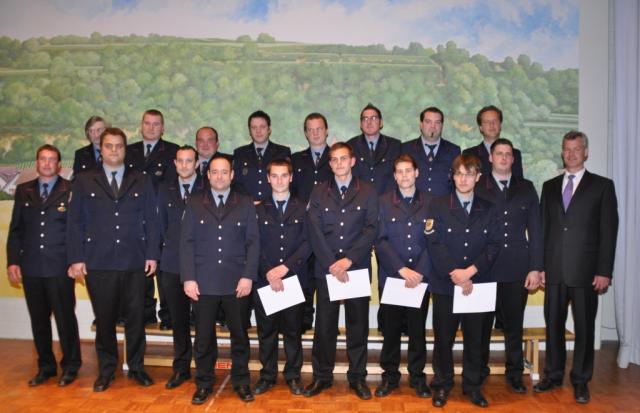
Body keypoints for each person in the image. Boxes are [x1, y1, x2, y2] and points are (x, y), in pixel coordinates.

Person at [67, 127, 160, 392]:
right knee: (105, 319)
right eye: (109, 146)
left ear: (125, 149)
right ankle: (107, 370)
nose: (114, 150)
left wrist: (152, 254)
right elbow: (75, 222)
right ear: (101, 148)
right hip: (99, 261)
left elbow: (152, 220)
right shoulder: (84, 180)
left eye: (119, 145)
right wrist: (76, 258)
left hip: (134, 260)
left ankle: (137, 368)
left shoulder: (141, 179)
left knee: (136, 319)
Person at [534, 131, 618, 404]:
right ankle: (553, 375)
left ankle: (581, 380)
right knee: (553, 326)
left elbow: (608, 231)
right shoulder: (549, 186)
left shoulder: (602, 186)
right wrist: (540, 266)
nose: (571, 154)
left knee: (584, 328)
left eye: (577, 149)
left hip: (586, 272)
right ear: (562, 152)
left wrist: (604, 271)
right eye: (567, 149)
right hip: (554, 270)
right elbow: (543, 230)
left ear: (586, 152)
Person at [180, 156, 260, 404]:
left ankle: (242, 382)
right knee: (203, 339)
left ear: (232, 175)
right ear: (208, 175)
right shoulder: (194, 202)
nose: (219, 176)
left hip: (237, 283)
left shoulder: (245, 202)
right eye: (214, 172)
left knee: (240, 337)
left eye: (224, 172)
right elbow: (186, 243)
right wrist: (189, 278)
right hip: (203, 283)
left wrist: (248, 276)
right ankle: (204, 383)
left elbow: (253, 242)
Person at [304, 142, 378, 400]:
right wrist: (332, 264)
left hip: (356, 268)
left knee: (358, 326)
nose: (339, 163)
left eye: (343, 158)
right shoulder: (318, 191)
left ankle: (357, 378)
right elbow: (313, 230)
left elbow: (371, 228)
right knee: (324, 326)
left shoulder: (368, 191)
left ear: (352, 161)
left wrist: (348, 261)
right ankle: (322, 377)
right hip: (327, 270)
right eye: (334, 159)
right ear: (330, 164)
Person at [425, 154, 500, 408]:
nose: (463, 179)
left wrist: (470, 272)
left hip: (477, 283)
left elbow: (494, 245)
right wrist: (455, 272)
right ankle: (442, 385)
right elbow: (434, 242)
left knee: (475, 340)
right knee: (443, 339)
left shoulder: (489, 207)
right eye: (459, 174)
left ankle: (472, 386)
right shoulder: (437, 205)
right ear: (453, 176)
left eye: (469, 174)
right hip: (446, 284)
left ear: (478, 177)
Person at [7, 144, 81, 387]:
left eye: (52, 159)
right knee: (39, 321)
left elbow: (76, 230)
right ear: (37, 163)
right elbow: (16, 230)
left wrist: (75, 260)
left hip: (60, 267)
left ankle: (70, 366)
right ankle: (46, 367)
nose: (47, 163)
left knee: (65, 319)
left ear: (59, 165)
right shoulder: (24, 190)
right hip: (31, 267)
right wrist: (13, 261)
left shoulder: (71, 189)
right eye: (43, 159)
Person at [474, 138, 543, 393]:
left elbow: (536, 230)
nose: (503, 157)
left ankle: (515, 373)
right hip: (485, 267)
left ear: (513, 159)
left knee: (513, 325)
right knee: (481, 325)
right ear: (490, 158)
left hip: (516, 267)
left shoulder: (526, 187)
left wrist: (535, 267)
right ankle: (479, 370)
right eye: (499, 153)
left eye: (508, 154)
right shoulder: (478, 186)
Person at [374, 154, 432, 398]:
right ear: (395, 176)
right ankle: (390, 377)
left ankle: (417, 377)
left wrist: (419, 271)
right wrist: (401, 269)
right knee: (391, 332)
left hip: (420, 278)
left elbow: (434, 240)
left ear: (416, 173)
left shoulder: (431, 202)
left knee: (418, 331)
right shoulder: (383, 201)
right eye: (400, 171)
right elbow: (380, 240)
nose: (405, 175)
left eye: (409, 170)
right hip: (393, 278)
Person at [253, 159, 311, 396]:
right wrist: (269, 271)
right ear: (268, 178)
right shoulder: (257, 209)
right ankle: (267, 376)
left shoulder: (304, 208)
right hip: (264, 280)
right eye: (274, 176)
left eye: (284, 175)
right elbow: (252, 244)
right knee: (266, 333)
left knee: (292, 332)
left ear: (291, 177)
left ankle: (293, 376)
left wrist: (285, 268)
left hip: (293, 279)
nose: (279, 180)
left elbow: (308, 243)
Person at [125, 109, 179, 329]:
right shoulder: (128, 151)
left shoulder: (173, 151)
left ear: (163, 128)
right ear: (141, 126)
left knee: (164, 271)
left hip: (162, 220)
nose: (151, 127)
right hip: (134, 221)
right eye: (147, 123)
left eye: (156, 124)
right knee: (139, 271)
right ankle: (144, 313)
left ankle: (168, 316)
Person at [157, 145, 205, 390]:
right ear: (175, 164)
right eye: (180, 161)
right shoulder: (164, 189)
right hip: (172, 264)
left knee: (203, 321)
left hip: (203, 266)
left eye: (189, 161)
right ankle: (181, 368)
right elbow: (160, 227)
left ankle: (204, 369)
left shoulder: (207, 188)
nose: (185, 165)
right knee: (178, 320)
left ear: (196, 163)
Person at [291, 112, 334, 331]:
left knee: (328, 278)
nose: (315, 133)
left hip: (329, 231)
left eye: (319, 129)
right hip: (302, 230)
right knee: (304, 278)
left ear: (326, 131)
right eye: (311, 129)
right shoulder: (296, 160)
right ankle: (304, 320)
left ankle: (329, 324)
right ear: (305, 133)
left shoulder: (337, 158)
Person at [233, 110, 291, 202]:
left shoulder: (282, 152)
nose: (258, 131)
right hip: (246, 206)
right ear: (249, 131)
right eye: (254, 127)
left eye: (262, 127)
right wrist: (248, 203)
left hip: (273, 206)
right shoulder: (240, 153)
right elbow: (236, 183)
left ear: (269, 129)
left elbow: (287, 182)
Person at [401, 107, 460, 196]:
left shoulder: (454, 151)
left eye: (437, 122)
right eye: (428, 122)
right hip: (413, 204)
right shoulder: (406, 149)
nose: (433, 126)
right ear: (421, 125)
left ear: (442, 126)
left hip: (444, 203)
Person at [347, 103, 401, 195]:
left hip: (388, 199)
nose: (369, 122)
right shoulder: (350, 146)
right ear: (361, 124)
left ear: (381, 122)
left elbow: (397, 176)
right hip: (359, 200)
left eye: (374, 118)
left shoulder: (394, 145)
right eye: (365, 119)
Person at [463, 105, 524, 179]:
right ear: (481, 128)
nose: (491, 124)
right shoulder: (469, 155)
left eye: (495, 121)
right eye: (487, 122)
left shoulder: (515, 154)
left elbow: (518, 183)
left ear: (500, 125)